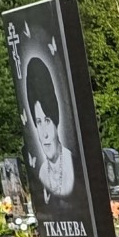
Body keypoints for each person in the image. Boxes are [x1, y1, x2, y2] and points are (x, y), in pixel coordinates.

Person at [24, 55, 77, 199]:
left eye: (47, 121)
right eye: (39, 122)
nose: (44, 134)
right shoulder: (42, 173)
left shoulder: (74, 166)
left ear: (56, 121)